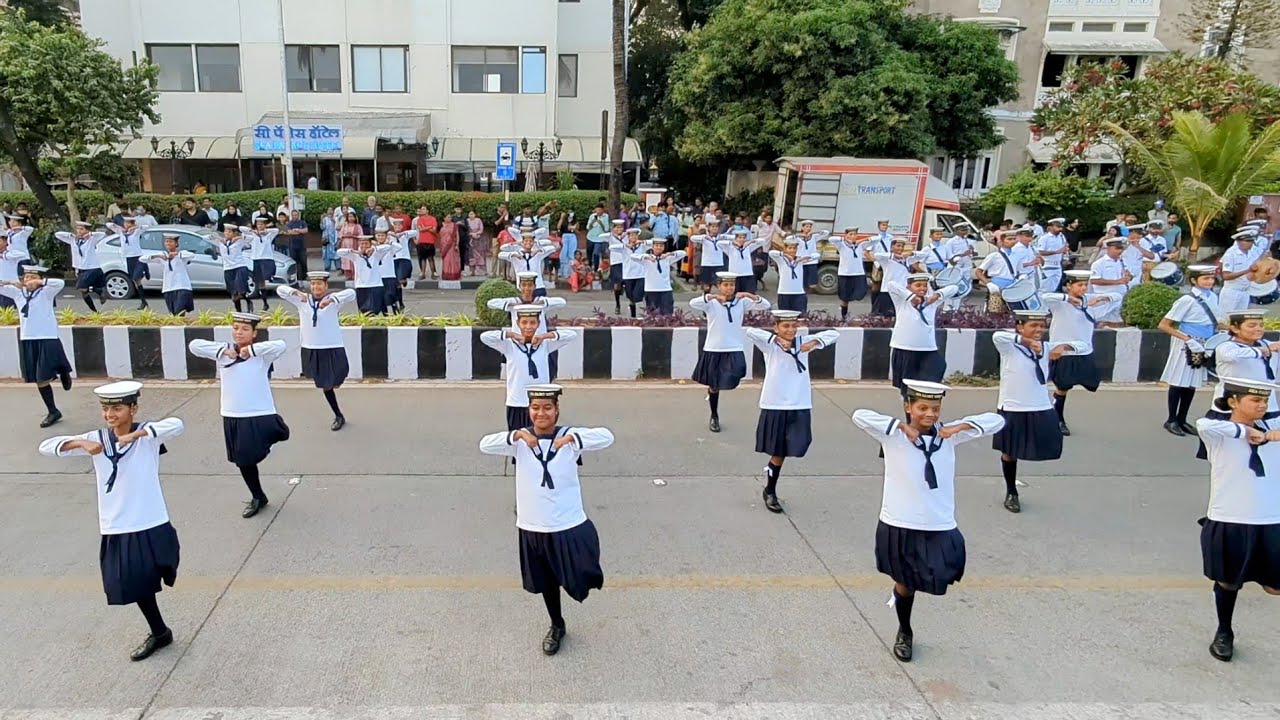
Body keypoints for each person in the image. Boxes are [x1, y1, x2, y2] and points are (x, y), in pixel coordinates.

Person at [852, 380, 1005, 662]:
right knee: (905, 583)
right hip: (900, 521)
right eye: (922, 408)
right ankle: (904, 630)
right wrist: (901, 426)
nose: (930, 414)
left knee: (943, 574)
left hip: (938, 523)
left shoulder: (948, 437)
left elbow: (997, 420)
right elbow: (859, 415)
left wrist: (959, 427)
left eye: (935, 408)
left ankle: (904, 604)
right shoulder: (893, 437)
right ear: (908, 407)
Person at [38, 381, 184, 661]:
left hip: (152, 518)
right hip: (119, 524)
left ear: (133, 409)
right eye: (106, 409)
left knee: (167, 565)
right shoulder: (97, 439)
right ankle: (160, 632)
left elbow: (176, 425)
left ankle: (161, 611)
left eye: (117, 408)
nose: (110, 415)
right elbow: (46, 446)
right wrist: (80, 443)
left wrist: (137, 434)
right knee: (135, 582)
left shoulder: (149, 437)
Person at [478, 384, 613, 655]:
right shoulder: (520, 441)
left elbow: (607, 436)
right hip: (533, 525)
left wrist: (575, 439)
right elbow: (484, 444)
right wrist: (515, 435)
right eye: (536, 408)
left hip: (568, 523)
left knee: (579, 575)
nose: (541, 413)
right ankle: (556, 624)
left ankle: (575, 588)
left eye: (547, 408)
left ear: (557, 410)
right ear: (529, 411)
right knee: (547, 581)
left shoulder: (569, 437)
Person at [1195, 376, 1280, 663]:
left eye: (1265, 401)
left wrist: (1267, 435)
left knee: (1275, 587)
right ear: (1233, 401)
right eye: (1255, 400)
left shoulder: (1273, 429)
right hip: (1231, 516)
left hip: (1271, 518)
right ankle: (1224, 631)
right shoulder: (1220, 434)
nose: (1262, 405)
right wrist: (1244, 431)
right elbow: (1203, 424)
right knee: (1228, 581)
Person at [187, 314, 290, 519]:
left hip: (261, 412)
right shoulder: (224, 353)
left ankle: (274, 435)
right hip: (234, 413)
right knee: (243, 461)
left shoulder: (261, 354)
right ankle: (258, 496)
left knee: (275, 433)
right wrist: (226, 350)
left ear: (254, 333)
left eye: (244, 329)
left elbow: (281, 345)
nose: (239, 332)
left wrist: (250, 350)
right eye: (235, 328)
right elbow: (194, 345)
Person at [991, 310, 1087, 513]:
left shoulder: (1047, 347)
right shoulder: (1009, 347)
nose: (1038, 330)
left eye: (1041, 326)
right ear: (1020, 326)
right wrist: (1024, 342)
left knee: (1053, 442)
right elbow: (997, 335)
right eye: (1033, 325)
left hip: (1040, 406)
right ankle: (1011, 492)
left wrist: (1065, 347)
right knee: (1009, 452)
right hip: (1013, 406)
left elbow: (1084, 346)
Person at [745, 310, 840, 513]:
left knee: (798, 445)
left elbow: (834, 334)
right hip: (775, 403)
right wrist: (776, 339)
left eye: (794, 326)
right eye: (786, 326)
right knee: (778, 451)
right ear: (776, 327)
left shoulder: (803, 342)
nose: (791, 330)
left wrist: (812, 343)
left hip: (799, 403)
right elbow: (751, 332)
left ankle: (770, 486)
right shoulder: (770, 346)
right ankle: (770, 490)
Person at [1041, 270, 1122, 435]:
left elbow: (1118, 296)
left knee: (1090, 382)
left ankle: (1052, 411)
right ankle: (1057, 419)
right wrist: (1067, 298)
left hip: (1084, 351)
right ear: (1069, 286)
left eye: (1085, 284)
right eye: (1079, 285)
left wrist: (1100, 298)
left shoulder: (1089, 299)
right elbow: (1045, 297)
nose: (1083, 288)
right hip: (1063, 351)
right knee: (1062, 387)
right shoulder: (1060, 303)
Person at [690, 272, 771, 432]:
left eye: (732, 285)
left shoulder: (741, 302)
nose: (729, 288)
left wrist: (748, 295)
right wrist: (712, 297)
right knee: (714, 385)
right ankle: (714, 415)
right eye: (725, 285)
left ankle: (717, 390)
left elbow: (766, 305)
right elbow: (694, 303)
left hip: (734, 347)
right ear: (719, 286)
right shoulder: (711, 304)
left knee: (738, 372)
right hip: (714, 348)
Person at [1194, 309, 1280, 460]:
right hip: (1233, 410)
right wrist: (1263, 351)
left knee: (1269, 456)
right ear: (1234, 328)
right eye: (1252, 325)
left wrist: (1268, 348)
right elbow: (1231, 355)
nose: (1258, 329)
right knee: (1232, 457)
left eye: (1261, 325)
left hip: (1268, 407)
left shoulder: (1266, 343)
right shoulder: (1226, 347)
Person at [480, 306, 580, 434]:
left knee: (540, 440)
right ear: (518, 323)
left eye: (533, 322)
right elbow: (485, 337)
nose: (528, 326)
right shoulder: (509, 346)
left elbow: (571, 335)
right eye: (524, 322)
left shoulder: (545, 344)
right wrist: (512, 334)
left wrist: (545, 336)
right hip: (516, 401)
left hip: (540, 403)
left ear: (538, 324)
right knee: (518, 441)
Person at [277, 273, 357, 431]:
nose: (316, 287)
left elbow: (351, 293)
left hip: (333, 346)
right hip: (312, 347)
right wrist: (296, 293)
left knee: (339, 376)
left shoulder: (333, 300)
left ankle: (336, 403)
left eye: (319, 284)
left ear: (326, 286)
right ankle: (338, 415)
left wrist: (331, 300)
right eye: (313, 284)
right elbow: (280, 289)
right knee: (326, 385)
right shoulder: (302, 301)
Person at [0, 265, 72, 427]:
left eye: (32, 277)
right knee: (39, 379)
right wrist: (10, 282)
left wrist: (41, 282)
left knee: (49, 366)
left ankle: (64, 371)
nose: (29, 280)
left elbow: (59, 283)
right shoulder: (18, 293)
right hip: (28, 338)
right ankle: (53, 411)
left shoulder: (46, 292)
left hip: (48, 335)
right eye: (26, 278)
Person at [1158, 265, 1223, 437]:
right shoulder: (1187, 300)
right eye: (1205, 278)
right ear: (1194, 280)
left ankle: (1182, 419)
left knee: (1191, 383)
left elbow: (1213, 321)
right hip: (1187, 343)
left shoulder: (1213, 297)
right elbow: (1164, 325)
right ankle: (1171, 419)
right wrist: (1188, 339)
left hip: (1205, 343)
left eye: (1211, 278)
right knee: (1179, 381)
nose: (1209, 282)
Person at [887, 273, 960, 398]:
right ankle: (910, 413)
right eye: (918, 285)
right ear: (909, 287)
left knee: (937, 370)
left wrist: (936, 295)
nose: (922, 288)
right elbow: (891, 285)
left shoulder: (932, 302)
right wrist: (910, 297)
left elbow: (954, 288)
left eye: (925, 285)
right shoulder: (901, 302)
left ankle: (925, 402)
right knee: (908, 390)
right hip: (905, 348)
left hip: (928, 349)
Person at [56, 221, 109, 311]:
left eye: (82, 229)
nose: (79, 231)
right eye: (78, 229)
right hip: (80, 268)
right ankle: (95, 309)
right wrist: (71, 235)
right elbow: (58, 234)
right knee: (84, 291)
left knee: (82, 288)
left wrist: (90, 234)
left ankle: (99, 294)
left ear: (86, 230)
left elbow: (102, 234)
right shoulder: (73, 240)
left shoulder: (91, 240)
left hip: (92, 267)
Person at [337, 235, 393, 315]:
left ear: (370, 244)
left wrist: (373, 249)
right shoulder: (355, 256)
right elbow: (339, 252)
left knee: (376, 309)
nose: (364, 246)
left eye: (366, 244)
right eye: (362, 244)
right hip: (361, 286)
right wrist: (353, 251)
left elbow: (387, 247)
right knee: (364, 310)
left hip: (376, 285)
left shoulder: (377, 254)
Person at [143, 234, 196, 316]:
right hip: (168, 287)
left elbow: (192, 255)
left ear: (176, 243)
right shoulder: (163, 255)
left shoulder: (182, 254)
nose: (168, 243)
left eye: (171, 242)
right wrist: (158, 256)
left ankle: (181, 327)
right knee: (173, 313)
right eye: (166, 242)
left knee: (180, 312)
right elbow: (142, 259)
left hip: (182, 286)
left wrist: (176, 254)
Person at [634, 236, 687, 316]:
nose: (658, 248)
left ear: (664, 247)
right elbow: (633, 256)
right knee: (652, 315)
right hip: (651, 290)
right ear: (652, 247)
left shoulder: (667, 258)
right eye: (656, 246)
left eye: (661, 246)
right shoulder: (646, 259)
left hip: (665, 289)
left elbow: (683, 253)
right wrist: (647, 257)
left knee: (667, 314)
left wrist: (670, 253)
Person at [106, 216, 150, 310]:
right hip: (128, 258)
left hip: (138, 257)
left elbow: (146, 227)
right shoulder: (121, 233)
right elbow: (108, 225)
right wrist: (118, 227)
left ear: (132, 224)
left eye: (128, 223)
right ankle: (143, 301)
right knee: (136, 281)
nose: (126, 225)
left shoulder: (136, 232)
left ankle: (146, 268)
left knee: (136, 277)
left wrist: (136, 227)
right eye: (125, 223)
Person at [769, 236, 820, 313]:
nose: (792, 250)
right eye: (790, 248)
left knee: (800, 316)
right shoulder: (781, 260)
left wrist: (803, 258)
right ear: (785, 249)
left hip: (799, 293)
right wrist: (785, 255)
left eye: (794, 248)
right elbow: (771, 253)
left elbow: (817, 255)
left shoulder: (800, 260)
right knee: (785, 317)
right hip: (784, 293)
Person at [1088, 238, 1132, 326]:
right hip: (1106, 298)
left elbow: (1129, 276)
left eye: (1121, 249)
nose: (1120, 251)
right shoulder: (1099, 263)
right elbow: (1094, 280)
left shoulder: (1122, 261)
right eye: (1117, 248)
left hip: (1121, 296)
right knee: (1103, 323)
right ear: (1108, 248)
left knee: (1119, 322)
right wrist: (1117, 281)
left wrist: (1129, 276)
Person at [211, 226, 254, 313]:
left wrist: (239, 237)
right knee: (234, 294)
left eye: (230, 232)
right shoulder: (221, 243)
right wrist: (218, 238)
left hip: (239, 267)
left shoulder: (239, 241)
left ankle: (248, 301)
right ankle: (239, 311)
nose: (227, 234)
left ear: (234, 233)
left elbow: (251, 238)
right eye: (226, 232)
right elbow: (206, 238)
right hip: (228, 269)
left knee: (241, 290)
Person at [1219, 231, 1260, 314]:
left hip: (1245, 291)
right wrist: (1248, 270)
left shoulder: (1252, 252)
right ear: (1239, 241)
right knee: (1225, 319)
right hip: (1231, 291)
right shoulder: (1231, 253)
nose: (1250, 244)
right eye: (1247, 241)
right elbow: (1226, 276)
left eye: (1251, 241)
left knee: (1240, 320)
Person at [832, 227, 868, 319]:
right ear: (846, 235)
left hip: (858, 273)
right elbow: (831, 239)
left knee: (861, 293)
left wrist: (861, 240)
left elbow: (877, 239)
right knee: (845, 298)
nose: (853, 236)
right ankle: (843, 317)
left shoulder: (860, 245)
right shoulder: (841, 245)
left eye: (855, 234)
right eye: (850, 234)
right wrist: (845, 240)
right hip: (845, 274)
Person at [244, 218, 279, 311]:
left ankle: (271, 278)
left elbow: (276, 230)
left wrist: (265, 231)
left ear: (265, 225)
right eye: (258, 224)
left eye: (262, 224)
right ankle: (265, 303)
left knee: (266, 279)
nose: (260, 226)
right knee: (260, 283)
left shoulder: (269, 235)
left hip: (266, 259)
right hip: (256, 259)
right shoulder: (252, 235)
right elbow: (241, 229)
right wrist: (252, 231)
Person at [389, 219, 418, 313]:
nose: (397, 228)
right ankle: (400, 303)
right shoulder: (390, 235)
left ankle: (404, 280)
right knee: (396, 284)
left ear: (401, 227)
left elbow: (415, 232)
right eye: (395, 226)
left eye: (399, 226)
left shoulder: (405, 235)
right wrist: (390, 234)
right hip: (394, 259)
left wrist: (403, 233)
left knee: (400, 280)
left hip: (404, 259)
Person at [1038, 218, 1070, 293]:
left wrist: (1065, 257)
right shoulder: (1044, 238)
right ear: (1050, 227)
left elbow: (1064, 248)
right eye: (1057, 227)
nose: (1060, 229)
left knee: (1054, 288)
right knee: (1045, 288)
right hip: (1047, 265)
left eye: (1061, 227)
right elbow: (1040, 251)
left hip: (1058, 265)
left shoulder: (1061, 237)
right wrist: (1056, 252)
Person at [693, 222, 726, 291]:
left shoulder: (720, 237)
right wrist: (704, 236)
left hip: (718, 263)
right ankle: (706, 298)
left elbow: (733, 237)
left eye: (716, 227)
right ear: (709, 228)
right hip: (707, 263)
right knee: (706, 285)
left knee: (720, 283)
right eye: (713, 227)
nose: (715, 228)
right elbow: (692, 238)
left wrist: (724, 237)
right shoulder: (705, 238)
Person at [0, 233, 29, 308]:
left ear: (6, 242)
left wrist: (5, 256)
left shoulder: (11, 254)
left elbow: (23, 255)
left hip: (11, 287)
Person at [414, 207, 439, 280]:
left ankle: (433, 273)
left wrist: (425, 228)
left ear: (427, 210)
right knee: (423, 259)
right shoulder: (419, 219)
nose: (422, 210)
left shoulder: (433, 219)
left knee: (430, 258)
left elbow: (434, 230)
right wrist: (429, 227)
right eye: (421, 209)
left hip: (430, 241)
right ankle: (423, 273)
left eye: (423, 209)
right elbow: (420, 229)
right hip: (422, 241)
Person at [338, 210, 362, 278]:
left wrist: (353, 236)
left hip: (354, 244)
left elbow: (361, 235)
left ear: (355, 218)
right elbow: (340, 234)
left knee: (353, 258)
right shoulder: (345, 225)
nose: (350, 218)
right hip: (345, 244)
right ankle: (348, 275)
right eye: (349, 217)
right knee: (346, 259)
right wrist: (346, 235)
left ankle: (354, 275)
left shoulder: (358, 226)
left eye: (352, 217)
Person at [467, 211, 487, 277]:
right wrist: (471, 234)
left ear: (475, 214)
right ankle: (472, 271)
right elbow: (466, 230)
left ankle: (481, 270)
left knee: (480, 254)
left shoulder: (478, 220)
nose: (471, 215)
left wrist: (477, 233)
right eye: (470, 214)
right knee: (471, 255)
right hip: (470, 240)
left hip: (478, 239)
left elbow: (481, 229)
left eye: (472, 214)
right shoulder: (467, 221)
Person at [321, 208, 339, 272]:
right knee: (326, 253)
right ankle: (327, 267)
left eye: (331, 210)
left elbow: (338, 227)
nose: (330, 211)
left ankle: (338, 267)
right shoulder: (324, 219)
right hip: (327, 240)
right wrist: (321, 220)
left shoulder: (336, 219)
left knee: (336, 252)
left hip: (334, 239)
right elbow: (322, 227)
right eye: (328, 210)